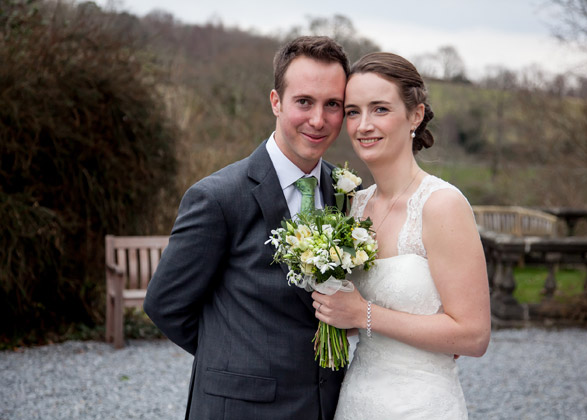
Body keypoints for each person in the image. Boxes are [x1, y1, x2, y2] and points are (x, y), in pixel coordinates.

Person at [144, 36, 349, 420]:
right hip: (240, 407)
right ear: (276, 101)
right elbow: (165, 304)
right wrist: (237, 361)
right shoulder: (218, 197)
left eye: (332, 105)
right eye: (304, 101)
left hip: (328, 406)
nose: (318, 120)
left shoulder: (345, 193)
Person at [311, 52, 491, 419]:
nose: (363, 125)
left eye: (380, 109)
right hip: (356, 400)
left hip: (421, 404)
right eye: (352, 111)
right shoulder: (351, 206)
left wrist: (363, 315)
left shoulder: (442, 205)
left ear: (415, 115)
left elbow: (473, 336)